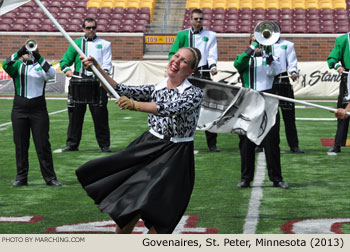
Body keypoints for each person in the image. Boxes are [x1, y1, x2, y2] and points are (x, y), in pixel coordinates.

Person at [76, 47, 203, 234]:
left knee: (162, 220)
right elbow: (119, 89)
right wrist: (97, 69)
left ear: (191, 71)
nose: (176, 61)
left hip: (176, 155)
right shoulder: (157, 87)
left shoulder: (194, 93)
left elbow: (170, 108)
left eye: (184, 60)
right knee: (128, 209)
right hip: (149, 146)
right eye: (176, 56)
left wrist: (135, 105)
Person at [233, 34, 289, 189]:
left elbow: (276, 71)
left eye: (261, 41)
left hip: (267, 103)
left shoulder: (268, 58)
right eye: (254, 41)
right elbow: (238, 64)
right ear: (250, 42)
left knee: (272, 142)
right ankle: (245, 178)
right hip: (248, 103)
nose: (258, 44)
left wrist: (268, 54)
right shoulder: (245, 58)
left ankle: (276, 178)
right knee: (246, 142)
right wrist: (253, 47)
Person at [3, 43, 62, 187]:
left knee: (43, 144)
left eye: (31, 51)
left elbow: (51, 74)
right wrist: (18, 53)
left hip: (38, 110)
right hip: (19, 109)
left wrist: (38, 56)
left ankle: (50, 178)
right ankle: (21, 178)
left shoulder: (41, 66)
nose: (28, 53)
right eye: (26, 51)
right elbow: (5, 65)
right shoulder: (17, 66)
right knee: (21, 145)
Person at [168, 8, 220, 152]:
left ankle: (212, 144)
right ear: (190, 19)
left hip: (203, 73)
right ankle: (180, 139)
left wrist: (213, 66)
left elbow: (212, 53)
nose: (198, 21)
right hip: (186, 75)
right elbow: (173, 53)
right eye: (196, 19)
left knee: (209, 109)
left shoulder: (210, 35)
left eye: (200, 19)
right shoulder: (182, 35)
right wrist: (175, 67)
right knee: (182, 107)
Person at [60, 18, 112, 152]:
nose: (91, 30)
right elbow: (64, 61)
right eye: (88, 27)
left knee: (100, 115)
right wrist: (67, 70)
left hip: (97, 83)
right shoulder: (75, 43)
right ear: (83, 28)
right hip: (78, 82)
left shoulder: (105, 44)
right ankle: (72, 144)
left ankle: (104, 145)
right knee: (75, 115)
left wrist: (103, 76)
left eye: (93, 27)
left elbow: (107, 64)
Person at [269, 22, 304, 154]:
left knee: (289, 116)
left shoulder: (288, 45)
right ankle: (265, 145)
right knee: (269, 117)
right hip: (268, 83)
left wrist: (293, 72)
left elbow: (292, 61)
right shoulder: (262, 45)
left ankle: (294, 145)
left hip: (283, 82)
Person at [327, 33, 350, 153]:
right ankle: (338, 144)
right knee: (343, 111)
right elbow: (332, 58)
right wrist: (337, 66)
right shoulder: (342, 39)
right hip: (347, 77)